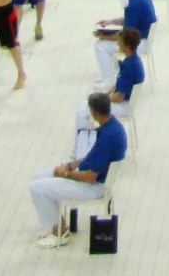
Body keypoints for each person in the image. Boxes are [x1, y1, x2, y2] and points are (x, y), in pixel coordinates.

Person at [30, 93, 126, 248]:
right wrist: (69, 166)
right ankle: (55, 222)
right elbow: (91, 157)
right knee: (38, 177)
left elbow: (90, 176)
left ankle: (60, 232)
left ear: (94, 112)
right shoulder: (111, 126)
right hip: (88, 176)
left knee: (37, 188)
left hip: (94, 187)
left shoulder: (108, 138)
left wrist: (66, 174)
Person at [93, 0, 156, 86]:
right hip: (142, 36)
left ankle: (109, 80)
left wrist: (105, 36)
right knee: (105, 42)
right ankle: (113, 74)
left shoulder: (135, 3)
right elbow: (130, 19)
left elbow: (125, 35)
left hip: (139, 42)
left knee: (100, 45)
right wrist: (111, 21)